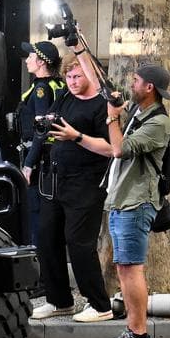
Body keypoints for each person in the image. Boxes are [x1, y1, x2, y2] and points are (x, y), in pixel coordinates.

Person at [95, 63, 170, 338]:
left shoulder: (159, 123)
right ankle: (133, 332)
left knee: (131, 269)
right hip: (123, 201)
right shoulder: (141, 114)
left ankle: (138, 335)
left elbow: (119, 149)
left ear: (149, 87)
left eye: (136, 80)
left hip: (137, 203)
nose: (132, 83)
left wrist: (112, 119)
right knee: (125, 268)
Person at [31, 54, 115, 322]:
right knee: (46, 238)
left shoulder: (103, 105)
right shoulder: (65, 95)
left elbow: (112, 148)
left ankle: (100, 304)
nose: (73, 81)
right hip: (56, 179)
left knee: (79, 244)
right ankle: (59, 300)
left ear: (89, 75)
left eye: (78, 76)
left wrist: (76, 136)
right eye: (68, 76)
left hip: (87, 182)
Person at [16, 41, 65, 246]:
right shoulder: (59, 85)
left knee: (37, 216)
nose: (27, 60)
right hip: (53, 160)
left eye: (30, 56)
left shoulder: (41, 89)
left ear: (41, 62)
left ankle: (40, 269)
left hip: (40, 163)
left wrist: (28, 164)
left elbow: (41, 132)